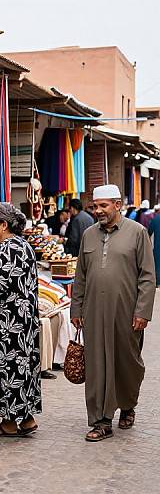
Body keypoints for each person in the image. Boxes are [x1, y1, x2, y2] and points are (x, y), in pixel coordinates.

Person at [71, 184, 156, 442]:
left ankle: (128, 405)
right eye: (95, 206)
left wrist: (142, 311)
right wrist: (77, 307)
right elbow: (81, 275)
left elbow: (147, 276)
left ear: (117, 205)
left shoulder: (137, 232)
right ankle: (101, 420)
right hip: (94, 312)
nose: (98, 211)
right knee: (96, 365)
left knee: (128, 363)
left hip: (127, 313)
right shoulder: (88, 235)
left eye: (104, 206)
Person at [0, 203, 42, 437]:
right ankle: (27, 419)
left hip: (8, 324)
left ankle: (9, 423)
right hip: (21, 321)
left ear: (4, 225)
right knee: (20, 369)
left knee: (8, 370)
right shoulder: (22, 246)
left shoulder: (7, 248)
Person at [147, 204, 160, 287]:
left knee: (157, 264)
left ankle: (158, 282)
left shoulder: (155, 219)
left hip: (157, 247)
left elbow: (149, 232)